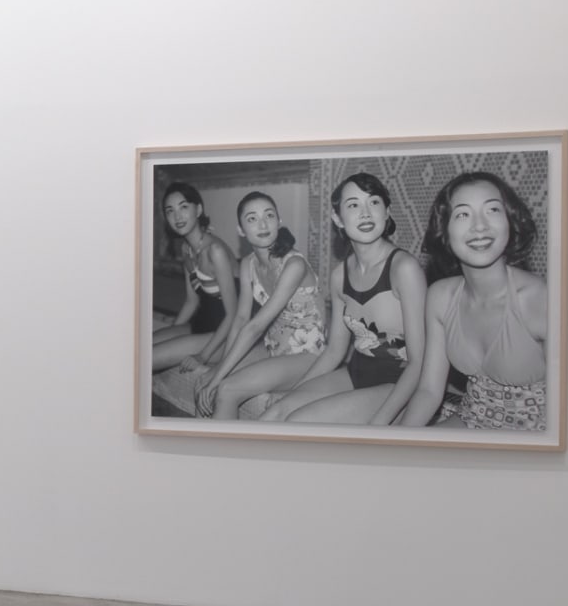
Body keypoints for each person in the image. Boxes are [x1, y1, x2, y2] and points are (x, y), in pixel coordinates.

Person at [260, 173, 427, 426]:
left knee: (298, 422)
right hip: (356, 372)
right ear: (337, 218)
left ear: (386, 211)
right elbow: (335, 351)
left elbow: (419, 361)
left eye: (374, 202)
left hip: (399, 382)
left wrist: (380, 422)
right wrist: (294, 392)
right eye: (353, 205)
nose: (365, 213)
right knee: (272, 415)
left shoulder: (404, 268)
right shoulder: (340, 276)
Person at [403, 172, 548, 431]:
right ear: (445, 231)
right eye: (463, 214)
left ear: (510, 221)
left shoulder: (539, 299)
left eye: (492, 210)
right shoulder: (439, 297)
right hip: (471, 420)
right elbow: (428, 392)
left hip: (535, 437)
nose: (479, 226)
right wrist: (393, 445)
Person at [195, 192, 326, 419]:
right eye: (252, 219)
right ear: (241, 230)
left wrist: (218, 378)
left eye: (269, 215)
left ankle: (221, 452)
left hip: (307, 356)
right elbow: (241, 319)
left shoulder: (294, 265)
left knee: (226, 388)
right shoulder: (248, 264)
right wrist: (217, 370)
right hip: (273, 349)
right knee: (204, 379)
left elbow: (255, 326)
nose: (263, 224)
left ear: (279, 222)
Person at [149, 183, 239, 377]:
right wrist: (173, 332)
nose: (177, 216)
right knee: (136, 349)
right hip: (200, 324)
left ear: (198, 210)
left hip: (225, 334)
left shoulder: (215, 251)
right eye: (170, 211)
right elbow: (192, 301)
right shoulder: (186, 249)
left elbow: (233, 315)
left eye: (184, 207)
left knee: (144, 360)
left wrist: (202, 356)